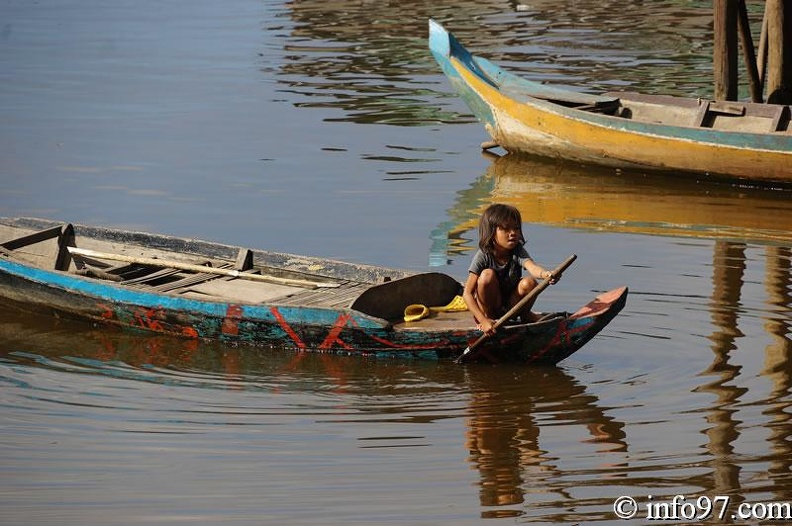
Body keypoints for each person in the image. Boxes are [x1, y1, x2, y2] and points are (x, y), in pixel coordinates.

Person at [462, 203, 560, 336]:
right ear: (492, 232)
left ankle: (525, 314)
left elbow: (532, 267)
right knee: (486, 276)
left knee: (529, 283)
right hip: (488, 310)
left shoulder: (517, 250)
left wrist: (546, 274)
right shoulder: (483, 255)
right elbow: (467, 293)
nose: (513, 233)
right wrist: (483, 320)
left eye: (516, 228)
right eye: (506, 229)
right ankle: (490, 317)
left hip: (510, 306)